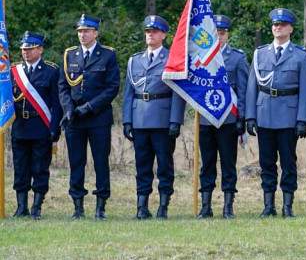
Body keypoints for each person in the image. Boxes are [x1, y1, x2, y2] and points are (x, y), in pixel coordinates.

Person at [245, 8, 306, 218]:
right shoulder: (260, 54)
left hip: (288, 116)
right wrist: (250, 116)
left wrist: (303, 119)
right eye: (275, 25)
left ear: (291, 28)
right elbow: (252, 87)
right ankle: (268, 206)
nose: (278, 28)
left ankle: (287, 206)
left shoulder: (300, 56)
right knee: (266, 163)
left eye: (283, 25)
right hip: (265, 114)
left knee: (288, 163)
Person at [122, 15, 186, 219]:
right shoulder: (135, 60)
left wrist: (176, 120)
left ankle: (163, 207)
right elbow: (129, 93)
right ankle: (142, 207)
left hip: (162, 119)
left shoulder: (171, 59)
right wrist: (127, 120)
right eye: (148, 31)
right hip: (140, 118)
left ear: (163, 35)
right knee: (142, 164)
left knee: (165, 165)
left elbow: (178, 91)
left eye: (155, 32)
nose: (150, 34)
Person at [58, 14, 121, 220]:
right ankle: (78, 206)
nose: (82, 35)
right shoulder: (70, 55)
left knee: (100, 161)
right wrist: (68, 109)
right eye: (79, 31)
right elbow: (63, 87)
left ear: (95, 33)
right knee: (76, 162)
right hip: (74, 119)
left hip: (98, 118)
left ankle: (100, 206)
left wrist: (90, 107)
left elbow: (112, 88)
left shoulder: (108, 55)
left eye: (86, 31)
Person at [197, 14, 248, 219]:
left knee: (228, 163)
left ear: (227, 34)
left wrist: (242, 118)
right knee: (207, 163)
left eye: (222, 33)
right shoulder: (199, 57)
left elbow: (242, 90)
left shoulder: (237, 58)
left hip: (228, 119)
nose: (218, 36)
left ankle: (228, 207)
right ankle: (206, 206)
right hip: (205, 118)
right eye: (215, 33)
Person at [10, 31, 63, 219]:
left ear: (40, 49)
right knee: (20, 168)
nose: (26, 53)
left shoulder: (52, 71)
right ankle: (21, 207)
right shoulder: (13, 71)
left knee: (40, 168)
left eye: (31, 49)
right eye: (24, 49)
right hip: (20, 127)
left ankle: (36, 207)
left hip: (41, 126)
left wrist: (55, 128)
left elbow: (57, 104)